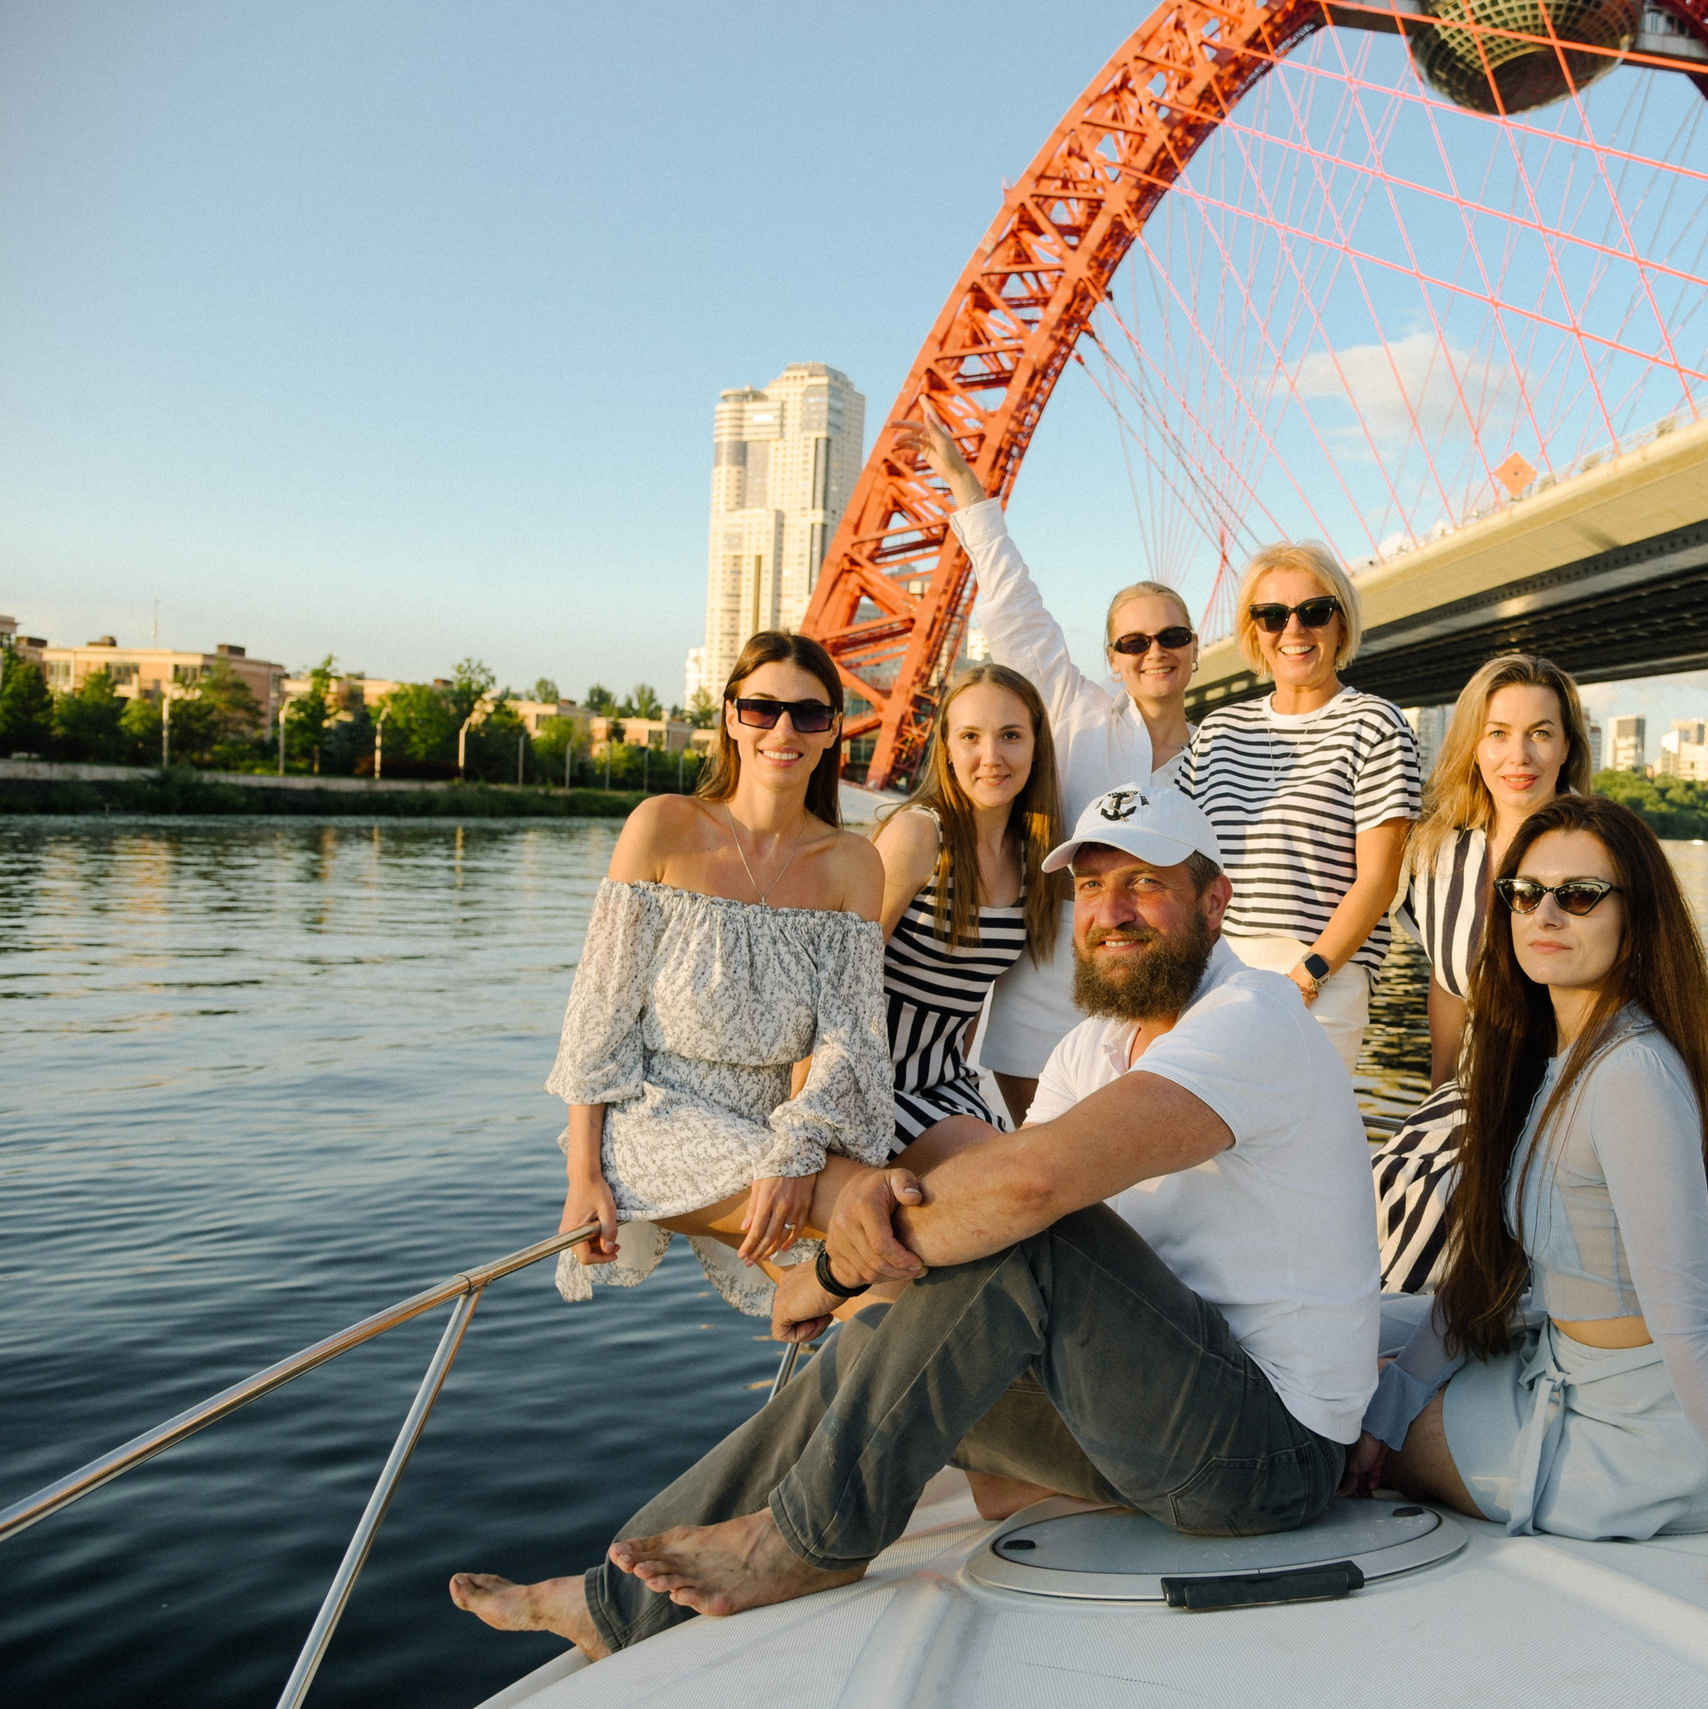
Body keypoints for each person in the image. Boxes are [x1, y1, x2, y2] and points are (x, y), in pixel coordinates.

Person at [452, 784, 1381, 1658]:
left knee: (1024, 1226)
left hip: (1268, 1454)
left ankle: (814, 1538)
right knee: (904, 1311)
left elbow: (1031, 1191)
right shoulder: (1091, 1045)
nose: (1113, 911)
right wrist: (876, 1285)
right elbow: (994, 1212)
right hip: (1148, 1413)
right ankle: (617, 1598)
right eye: (1093, 887)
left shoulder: (1253, 1015)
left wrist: (832, 1272)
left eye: (1147, 883)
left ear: (1214, 901)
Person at [1344, 794, 1708, 1609]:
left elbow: (1689, 1326)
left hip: (1632, 1433)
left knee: (1327, 1415)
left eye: (1578, 895)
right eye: (1524, 893)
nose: (1545, 913)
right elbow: (1483, 1277)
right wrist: (1393, 1402)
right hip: (1566, 1362)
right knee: (1347, 1343)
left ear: (1634, 920)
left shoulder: (1631, 1075)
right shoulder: (1552, 1055)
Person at [546, 631, 894, 1318]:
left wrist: (793, 1146)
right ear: (732, 717)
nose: (784, 729)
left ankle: (825, 1359)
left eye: (810, 713)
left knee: (883, 1259)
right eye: (763, 709)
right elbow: (598, 1017)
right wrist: (581, 1173)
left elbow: (851, 1041)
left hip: (777, 1131)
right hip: (651, 1119)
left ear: (833, 734)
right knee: (871, 1217)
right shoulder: (663, 827)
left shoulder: (854, 863)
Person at [888, 414, 1196, 1123]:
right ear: (1113, 658)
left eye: (1173, 635)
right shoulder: (1070, 707)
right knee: (1038, 1160)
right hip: (1047, 979)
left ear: (1196, 648)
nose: (1156, 650)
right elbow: (1016, 607)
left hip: (1161, 986)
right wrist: (967, 490)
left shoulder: (1219, 754)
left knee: (1134, 1181)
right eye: (1134, 640)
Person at [1373, 654, 1591, 1292]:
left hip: (1570, 1091)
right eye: (1498, 733)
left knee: (1453, 1215)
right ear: (1472, 745)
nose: (1517, 755)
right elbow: (1447, 981)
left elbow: (1648, 995)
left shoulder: (1597, 850)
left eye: (1540, 733)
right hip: (1472, 1092)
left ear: (1566, 748)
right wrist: (1438, 1096)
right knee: (1388, 1187)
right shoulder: (1442, 854)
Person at [1181, 541, 1420, 1074]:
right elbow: (1181, 860)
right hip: (1213, 971)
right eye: (1271, 615)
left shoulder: (1376, 726)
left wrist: (1309, 974)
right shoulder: (1218, 731)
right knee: (1202, 1151)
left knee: (1290, 1147)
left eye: (1314, 612)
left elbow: (1379, 880)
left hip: (1317, 979)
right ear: (1254, 630)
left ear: (1341, 623)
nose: (1293, 629)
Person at [867, 662, 1063, 1149]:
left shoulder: (1031, 857)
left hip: (946, 1084)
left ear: (1037, 749)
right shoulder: (920, 836)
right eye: (971, 736)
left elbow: (971, 997)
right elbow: (842, 977)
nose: (991, 756)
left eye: (1011, 735)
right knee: (1005, 1180)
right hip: (869, 1086)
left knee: (1046, 1181)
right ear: (948, 750)